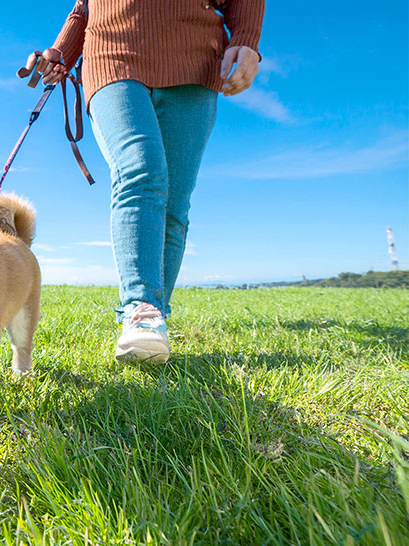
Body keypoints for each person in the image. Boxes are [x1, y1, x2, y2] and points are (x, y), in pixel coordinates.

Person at [23, 0, 264, 363]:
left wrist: (247, 38)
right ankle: (141, 307)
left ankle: (155, 319)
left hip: (196, 58)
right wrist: (61, 52)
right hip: (111, 53)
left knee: (175, 199)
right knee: (140, 168)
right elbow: (83, 8)